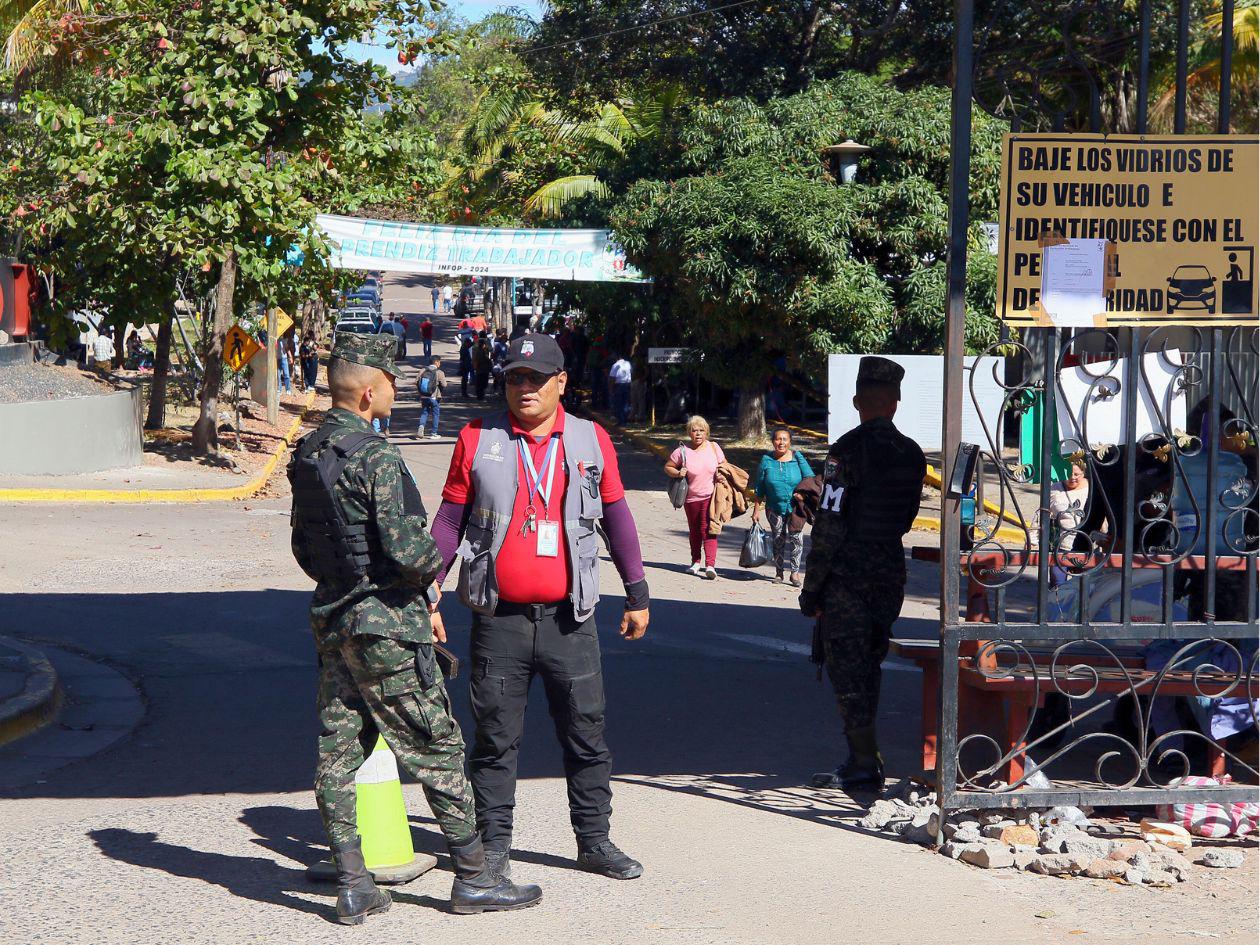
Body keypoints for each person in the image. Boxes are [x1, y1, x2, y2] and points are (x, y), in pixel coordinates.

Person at [286, 333, 540, 923]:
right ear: (369, 392)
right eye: (390, 383)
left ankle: (353, 883)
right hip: (387, 627)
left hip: (335, 620)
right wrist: (431, 567)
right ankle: (474, 877)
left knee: (338, 749)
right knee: (437, 745)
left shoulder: (308, 452)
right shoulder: (375, 456)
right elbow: (409, 550)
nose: (394, 392)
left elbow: (303, 547)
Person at [431, 333, 651, 887]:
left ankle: (594, 841)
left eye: (535, 378)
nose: (524, 387)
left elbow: (617, 518)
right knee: (494, 740)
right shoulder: (477, 438)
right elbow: (451, 521)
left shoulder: (590, 439)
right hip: (498, 620)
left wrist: (638, 592)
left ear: (561, 383)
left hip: (569, 620)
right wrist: (428, 589)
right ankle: (493, 849)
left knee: (586, 734)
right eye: (514, 378)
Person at [799, 357, 925, 791]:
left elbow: (829, 525)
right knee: (870, 663)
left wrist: (812, 590)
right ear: (895, 403)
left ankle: (863, 761)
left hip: (847, 579)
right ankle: (865, 756)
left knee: (848, 672)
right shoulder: (911, 454)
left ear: (857, 402)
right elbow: (907, 517)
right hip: (888, 574)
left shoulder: (845, 452)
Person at [663, 416, 726, 580]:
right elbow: (668, 467)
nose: (698, 433)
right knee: (695, 530)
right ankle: (696, 562)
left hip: (711, 496)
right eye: (694, 430)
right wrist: (678, 472)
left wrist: (721, 475)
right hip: (690, 498)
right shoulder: (682, 451)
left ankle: (710, 565)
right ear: (689, 433)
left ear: (707, 432)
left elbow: (724, 466)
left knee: (709, 528)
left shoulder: (714, 448)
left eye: (701, 430)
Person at [752, 427, 815, 585]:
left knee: (796, 539)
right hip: (774, 507)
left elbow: (810, 479)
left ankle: (795, 573)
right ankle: (779, 572)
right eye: (778, 439)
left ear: (790, 442)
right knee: (778, 539)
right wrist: (756, 510)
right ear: (773, 441)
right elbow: (760, 487)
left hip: (796, 508)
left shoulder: (797, 457)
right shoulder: (766, 460)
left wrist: (803, 495)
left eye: (784, 439)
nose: (781, 442)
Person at [1048, 460, 1090, 583]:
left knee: (1084, 585)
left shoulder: (1092, 489)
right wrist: (1033, 540)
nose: (1072, 478)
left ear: (1083, 473)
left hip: (1086, 544)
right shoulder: (1055, 488)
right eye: (1068, 474)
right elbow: (1042, 513)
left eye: (1076, 474)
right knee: (1057, 582)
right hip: (1061, 544)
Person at [416, 357, 446, 440]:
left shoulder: (422, 370)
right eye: (439, 362)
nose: (440, 364)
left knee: (424, 412)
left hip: (424, 396)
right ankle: (434, 433)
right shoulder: (439, 372)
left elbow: (416, 381)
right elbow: (444, 384)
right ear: (436, 362)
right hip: (434, 397)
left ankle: (421, 427)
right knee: (435, 414)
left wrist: (420, 392)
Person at [608, 355, 632, 425]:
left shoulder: (615, 365)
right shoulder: (628, 363)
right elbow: (630, 373)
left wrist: (611, 389)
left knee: (618, 404)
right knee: (626, 403)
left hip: (618, 386)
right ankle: (625, 421)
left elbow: (612, 378)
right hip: (627, 384)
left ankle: (621, 421)